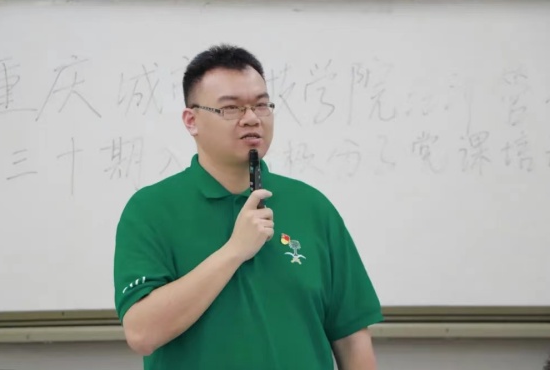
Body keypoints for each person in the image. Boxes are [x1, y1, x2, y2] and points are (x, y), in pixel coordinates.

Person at [113, 44, 384, 369]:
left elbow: (352, 339)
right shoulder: (151, 210)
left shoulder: (312, 206)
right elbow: (142, 333)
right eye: (231, 108)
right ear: (191, 120)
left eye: (261, 105)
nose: (252, 118)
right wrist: (234, 251)